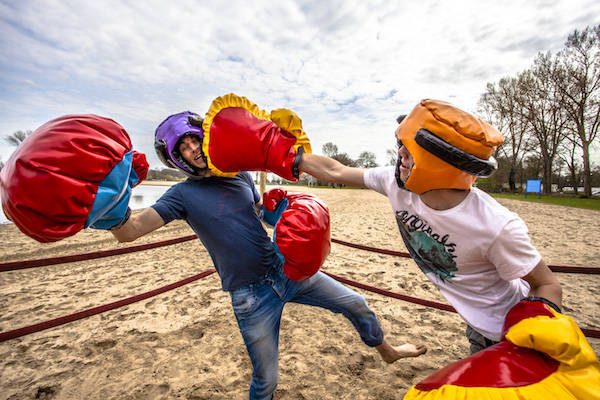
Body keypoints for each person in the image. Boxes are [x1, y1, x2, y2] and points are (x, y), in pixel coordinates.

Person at [109, 110, 427, 400]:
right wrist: (113, 200)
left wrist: (282, 214)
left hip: (286, 270)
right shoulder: (181, 195)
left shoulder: (240, 174)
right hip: (250, 296)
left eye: (195, 139)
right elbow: (130, 231)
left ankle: (388, 351)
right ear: (177, 158)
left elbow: (260, 212)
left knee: (357, 304)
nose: (193, 148)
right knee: (266, 381)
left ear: (206, 137)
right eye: (184, 147)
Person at [298, 99, 562, 355]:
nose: (400, 153)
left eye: (409, 148)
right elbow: (336, 171)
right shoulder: (395, 182)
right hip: (475, 324)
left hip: (511, 333)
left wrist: (534, 337)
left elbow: (548, 284)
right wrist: (290, 154)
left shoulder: (496, 226)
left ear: (438, 163)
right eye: (400, 144)